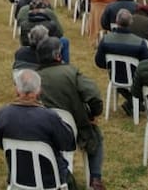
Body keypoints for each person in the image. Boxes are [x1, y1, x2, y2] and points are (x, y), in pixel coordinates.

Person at [36, 36, 105, 190]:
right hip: (73, 129)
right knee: (96, 137)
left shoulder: (34, 78)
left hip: (41, 131)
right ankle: (95, 178)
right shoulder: (71, 72)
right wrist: (94, 114)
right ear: (58, 55)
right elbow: (93, 95)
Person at [0, 70, 78, 190]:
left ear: (17, 89)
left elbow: (0, 143)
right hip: (50, 179)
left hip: (18, 175)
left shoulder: (3, 114)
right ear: (39, 90)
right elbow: (68, 144)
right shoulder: (49, 117)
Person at [94, 9, 148, 118]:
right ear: (131, 22)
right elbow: (147, 64)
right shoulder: (140, 42)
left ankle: (133, 102)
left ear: (116, 21)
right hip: (136, 78)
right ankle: (135, 102)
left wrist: (111, 65)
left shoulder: (106, 40)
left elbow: (99, 62)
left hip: (115, 76)